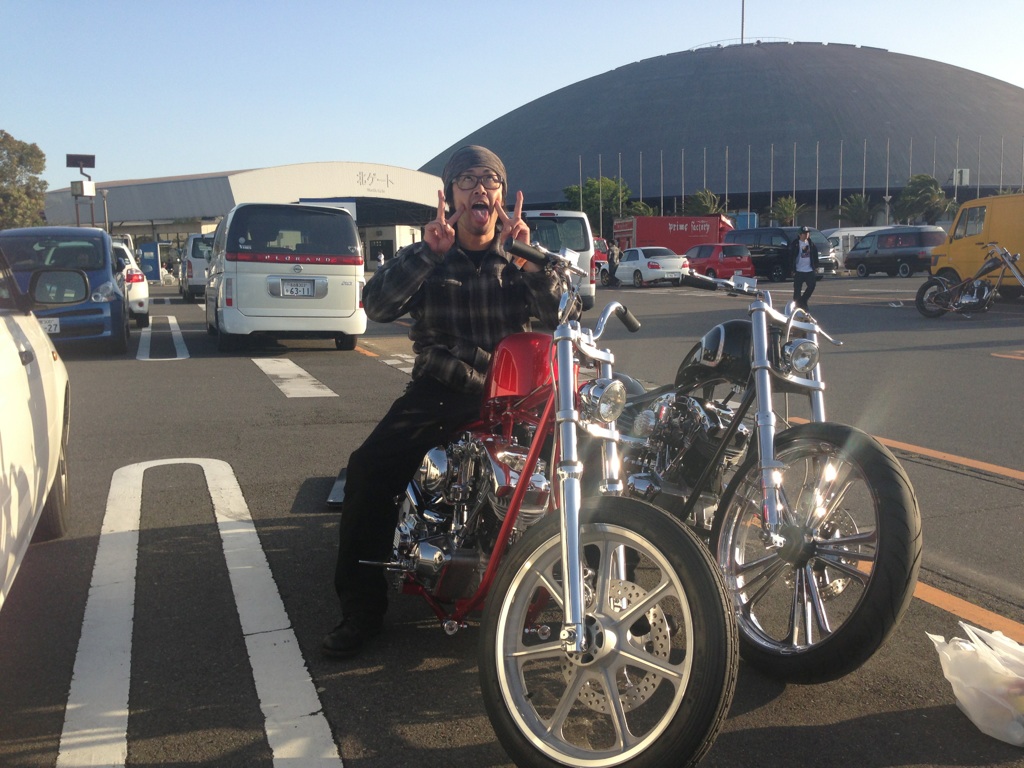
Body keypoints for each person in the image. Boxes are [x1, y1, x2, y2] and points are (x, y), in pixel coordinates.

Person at [323, 145, 573, 659]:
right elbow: (376, 305)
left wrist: (530, 265)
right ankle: (361, 609)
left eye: (490, 180)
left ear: (502, 194)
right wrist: (425, 254)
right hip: (442, 389)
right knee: (368, 470)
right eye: (467, 180)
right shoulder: (431, 253)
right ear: (450, 194)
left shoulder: (523, 255)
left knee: (579, 469)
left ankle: (590, 590)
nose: (480, 188)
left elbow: (563, 319)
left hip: (516, 397)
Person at [789, 226, 819, 310]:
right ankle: (797, 306)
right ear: (800, 235)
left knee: (812, 285)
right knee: (797, 290)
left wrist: (816, 266)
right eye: (804, 233)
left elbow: (815, 255)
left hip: (809, 269)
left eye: (807, 233)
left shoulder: (811, 244)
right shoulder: (795, 244)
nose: (806, 235)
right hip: (799, 270)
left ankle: (803, 301)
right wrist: (792, 269)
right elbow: (791, 257)